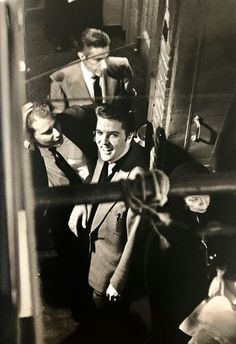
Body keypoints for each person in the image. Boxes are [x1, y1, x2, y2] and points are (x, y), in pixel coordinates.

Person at [68, 102, 169, 321]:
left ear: (130, 136)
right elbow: (95, 181)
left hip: (109, 278)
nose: (103, 142)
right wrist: (82, 203)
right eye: (99, 133)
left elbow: (136, 237)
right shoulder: (105, 154)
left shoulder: (137, 179)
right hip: (93, 262)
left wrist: (118, 281)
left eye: (113, 135)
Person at [23, 102, 95, 321]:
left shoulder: (74, 119)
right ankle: (82, 309)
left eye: (55, 125)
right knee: (72, 256)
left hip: (95, 189)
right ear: (33, 137)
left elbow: (101, 110)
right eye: (47, 132)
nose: (56, 133)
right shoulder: (28, 152)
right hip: (60, 205)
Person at [145, 162, 219, 344]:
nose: (204, 202)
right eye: (195, 198)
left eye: (207, 193)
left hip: (202, 312)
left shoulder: (203, 218)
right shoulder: (163, 235)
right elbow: (158, 293)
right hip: (177, 320)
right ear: (179, 198)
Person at [49, 28, 136, 113]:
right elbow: (60, 118)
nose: (104, 66)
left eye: (106, 57)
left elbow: (129, 101)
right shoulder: (59, 80)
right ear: (82, 56)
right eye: (98, 59)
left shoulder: (122, 65)